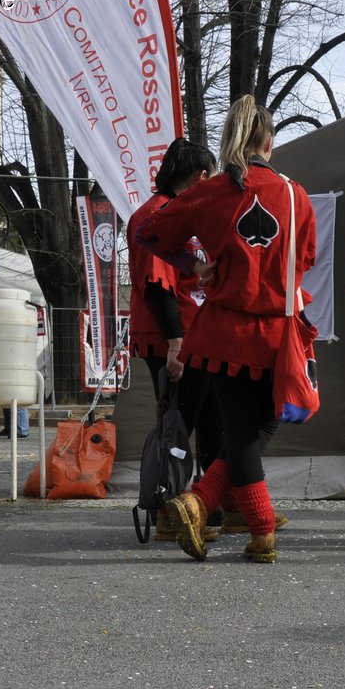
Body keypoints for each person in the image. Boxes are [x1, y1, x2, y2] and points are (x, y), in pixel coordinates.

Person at [135, 95, 316, 564]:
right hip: (277, 332)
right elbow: (307, 260)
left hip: (223, 332)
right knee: (258, 426)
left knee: (245, 430)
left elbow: (148, 232)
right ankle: (258, 529)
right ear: (269, 141)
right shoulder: (295, 194)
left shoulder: (210, 190)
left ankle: (198, 501)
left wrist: (197, 265)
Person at [128, 138, 222, 541]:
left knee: (213, 418)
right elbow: (158, 286)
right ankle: (170, 509)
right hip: (174, 338)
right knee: (177, 426)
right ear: (201, 176)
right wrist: (176, 344)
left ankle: (212, 505)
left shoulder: (180, 212)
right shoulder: (155, 215)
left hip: (199, 336)